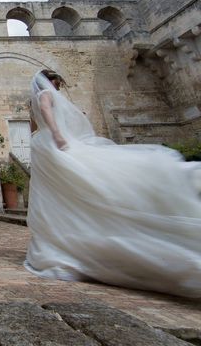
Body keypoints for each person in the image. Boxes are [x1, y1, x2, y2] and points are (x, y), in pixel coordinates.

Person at [24, 69, 201, 297]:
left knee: (55, 193)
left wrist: (39, 138)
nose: (57, 89)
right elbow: (47, 111)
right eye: (56, 84)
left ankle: (61, 240)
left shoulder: (33, 100)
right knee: (73, 185)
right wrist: (57, 134)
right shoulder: (45, 95)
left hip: (41, 145)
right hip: (51, 142)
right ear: (49, 81)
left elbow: (33, 124)